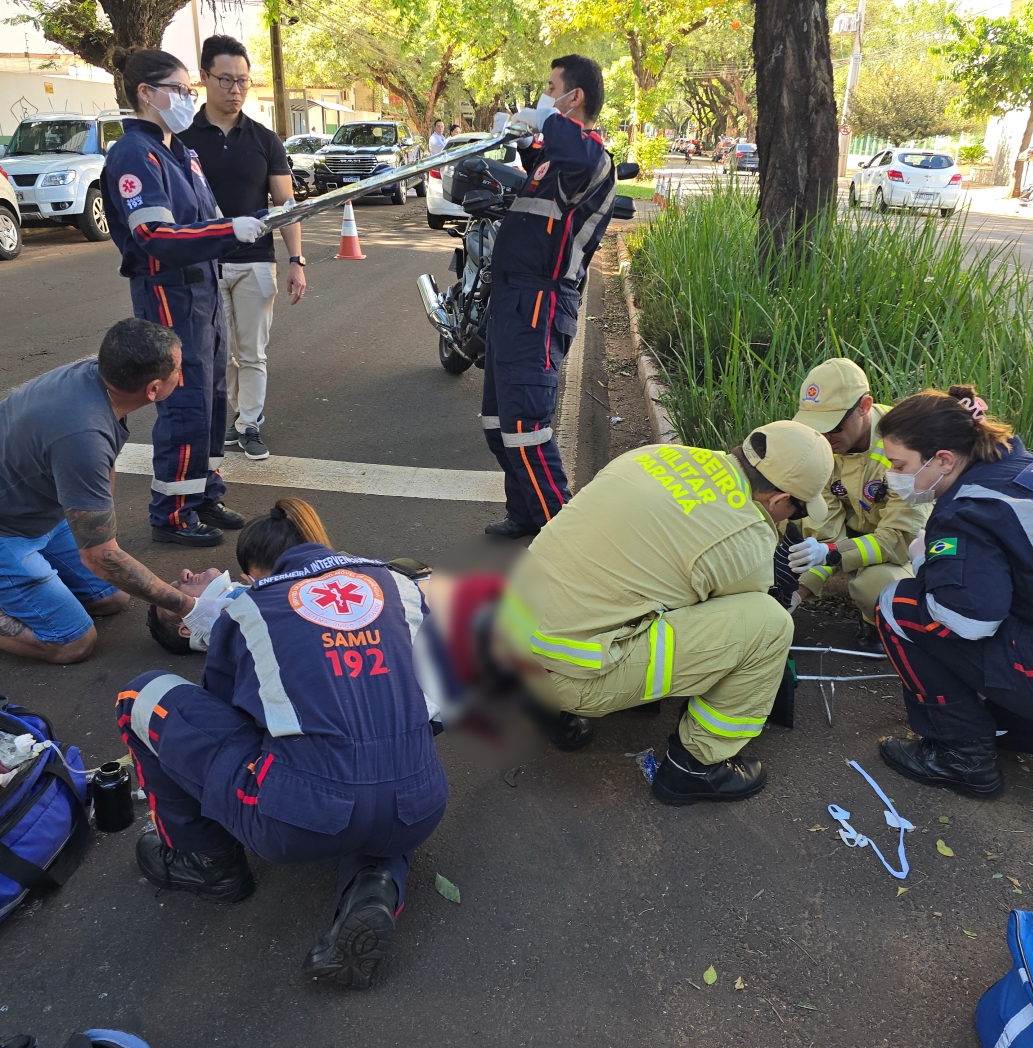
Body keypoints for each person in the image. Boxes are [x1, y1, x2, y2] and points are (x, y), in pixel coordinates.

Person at [115, 498, 448, 989]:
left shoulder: (251, 607)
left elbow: (228, 721)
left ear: (255, 574)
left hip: (303, 818)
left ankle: (205, 861)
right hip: (421, 801)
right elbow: (440, 709)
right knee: (386, 782)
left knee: (142, 694)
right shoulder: (398, 586)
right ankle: (375, 883)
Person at [498, 422, 833, 804]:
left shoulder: (658, 456)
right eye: (799, 509)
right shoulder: (748, 537)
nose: (793, 517)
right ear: (779, 498)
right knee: (769, 625)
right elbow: (725, 622)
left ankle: (550, 711)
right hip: (567, 674)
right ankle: (695, 767)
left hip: (510, 632)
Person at [873, 386, 1033, 799]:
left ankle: (962, 756)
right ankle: (1018, 723)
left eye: (899, 464)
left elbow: (969, 619)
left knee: (898, 606)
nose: (892, 476)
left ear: (943, 459)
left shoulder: (968, 507)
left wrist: (925, 560)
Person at [101, 48, 261, 548]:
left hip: (202, 287)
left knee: (213, 396)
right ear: (145, 93)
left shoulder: (181, 151)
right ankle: (172, 512)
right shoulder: (134, 154)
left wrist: (234, 227)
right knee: (184, 400)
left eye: (189, 89)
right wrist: (226, 230)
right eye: (179, 89)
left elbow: (204, 216)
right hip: (167, 292)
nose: (187, 99)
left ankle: (203, 492)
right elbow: (156, 236)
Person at [0, 319, 227, 663]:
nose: (181, 377)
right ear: (152, 389)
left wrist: (101, 535)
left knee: (111, 598)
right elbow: (100, 557)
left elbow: (101, 478)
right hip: (7, 530)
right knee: (72, 643)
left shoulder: (96, 378)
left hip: (33, 511)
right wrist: (191, 607)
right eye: (177, 371)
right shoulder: (83, 434)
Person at [480, 54, 616, 540]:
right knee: (499, 425)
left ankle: (567, 542)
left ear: (572, 96)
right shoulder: (559, 158)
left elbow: (574, 155)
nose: (545, 93)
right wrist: (523, 141)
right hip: (513, 301)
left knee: (528, 429)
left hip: (539, 305)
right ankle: (525, 515)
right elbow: (544, 168)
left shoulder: (593, 155)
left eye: (552, 87)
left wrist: (543, 120)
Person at [184, 34, 307, 463]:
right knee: (217, 352)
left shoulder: (264, 139)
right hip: (203, 264)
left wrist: (295, 260)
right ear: (204, 78)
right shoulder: (182, 139)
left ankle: (249, 422)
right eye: (226, 80)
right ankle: (232, 417)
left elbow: (285, 206)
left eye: (243, 82)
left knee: (251, 351)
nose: (236, 90)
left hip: (255, 264)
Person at [784, 357, 930, 652]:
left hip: (908, 548)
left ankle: (876, 619)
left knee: (876, 584)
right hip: (856, 536)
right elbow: (824, 530)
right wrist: (800, 591)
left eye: (834, 426)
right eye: (815, 426)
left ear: (865, 406)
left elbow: (899, 539)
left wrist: (831, 554)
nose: (824, 437)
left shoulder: (906, 446)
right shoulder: (823, 446)